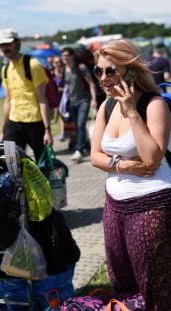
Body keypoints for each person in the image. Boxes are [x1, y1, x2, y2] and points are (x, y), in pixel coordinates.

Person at [90, 39, 171, 310]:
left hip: (151, 205)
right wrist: (122, 165)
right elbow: (94, 157)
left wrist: (132, 113)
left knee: (155, 286)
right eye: (98, 71)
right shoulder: (105, 107)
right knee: (122, 284)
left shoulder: (154, 105)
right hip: (114, 205)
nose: (103, 78)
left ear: (131, 71)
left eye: (110, 71)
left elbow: (151, 159)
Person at [0, 28, 53, 161]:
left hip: (35, 122)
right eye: (2, 45)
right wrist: (2, 130)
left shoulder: (33, 65)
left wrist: (47, 130)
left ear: (17, 43)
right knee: (11, 163)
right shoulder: (5, 69)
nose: (5, 48)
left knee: (42, 163)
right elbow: (7, 101)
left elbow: (42, 99)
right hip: (14, 122)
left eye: (8, 44)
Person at [61, 47, 97, 162]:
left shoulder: (81, 67)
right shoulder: (64, 69)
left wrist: (94, 99)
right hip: (72, 101)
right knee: (76, 126)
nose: (64, 58)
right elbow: (67, 86)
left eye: (66, 55)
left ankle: (79, 150)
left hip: (83, 100)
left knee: (81, 124)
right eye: (63, 56)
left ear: (72, 56)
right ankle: (84, 145)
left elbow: (91, 84)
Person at [51, 56, 67, 142]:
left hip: (65, 98)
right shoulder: (51, 73)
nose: (58, 64)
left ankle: (64, 133)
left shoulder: (65, 72)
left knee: (64, 117)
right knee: (60, 117)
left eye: (60, 62)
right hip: (55, 98)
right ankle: (63, 133)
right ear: (53, 64)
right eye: (56, 62)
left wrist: (61, 89)